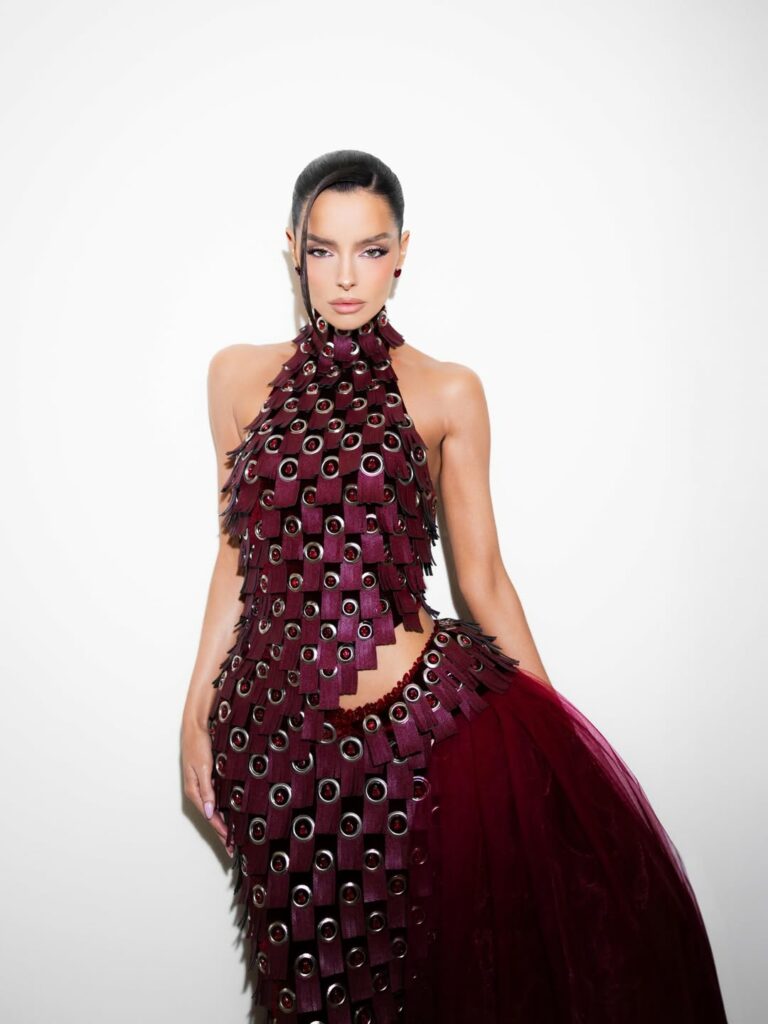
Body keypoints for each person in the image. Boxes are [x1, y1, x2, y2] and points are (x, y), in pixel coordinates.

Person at [181, 150, 728, 1023]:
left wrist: (562, 754)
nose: (347, 276)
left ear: (402, 252)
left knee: (414, 990)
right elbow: (234, 553)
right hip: (269, 745)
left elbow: (485, 580)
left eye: (371, 249)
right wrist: (195, 707)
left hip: (413, 743)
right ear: (293, 248)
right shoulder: (235, 376)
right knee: (304, 998)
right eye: (324, 250)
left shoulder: (448, 390)